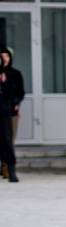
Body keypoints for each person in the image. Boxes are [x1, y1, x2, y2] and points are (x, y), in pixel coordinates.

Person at [0, 47, 25, 181]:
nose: (4, 59)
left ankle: (8, 170)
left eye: (7, 56)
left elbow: (20, 92)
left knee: (9, 140)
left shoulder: (15, 74)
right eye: (2, 56)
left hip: (10, 112)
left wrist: (15, 103)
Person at [0, 54, 18, 182]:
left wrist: (4, 82)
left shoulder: (7, 74)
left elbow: (12, 94)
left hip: (3, 111)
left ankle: (11, 171)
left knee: (6, 140)